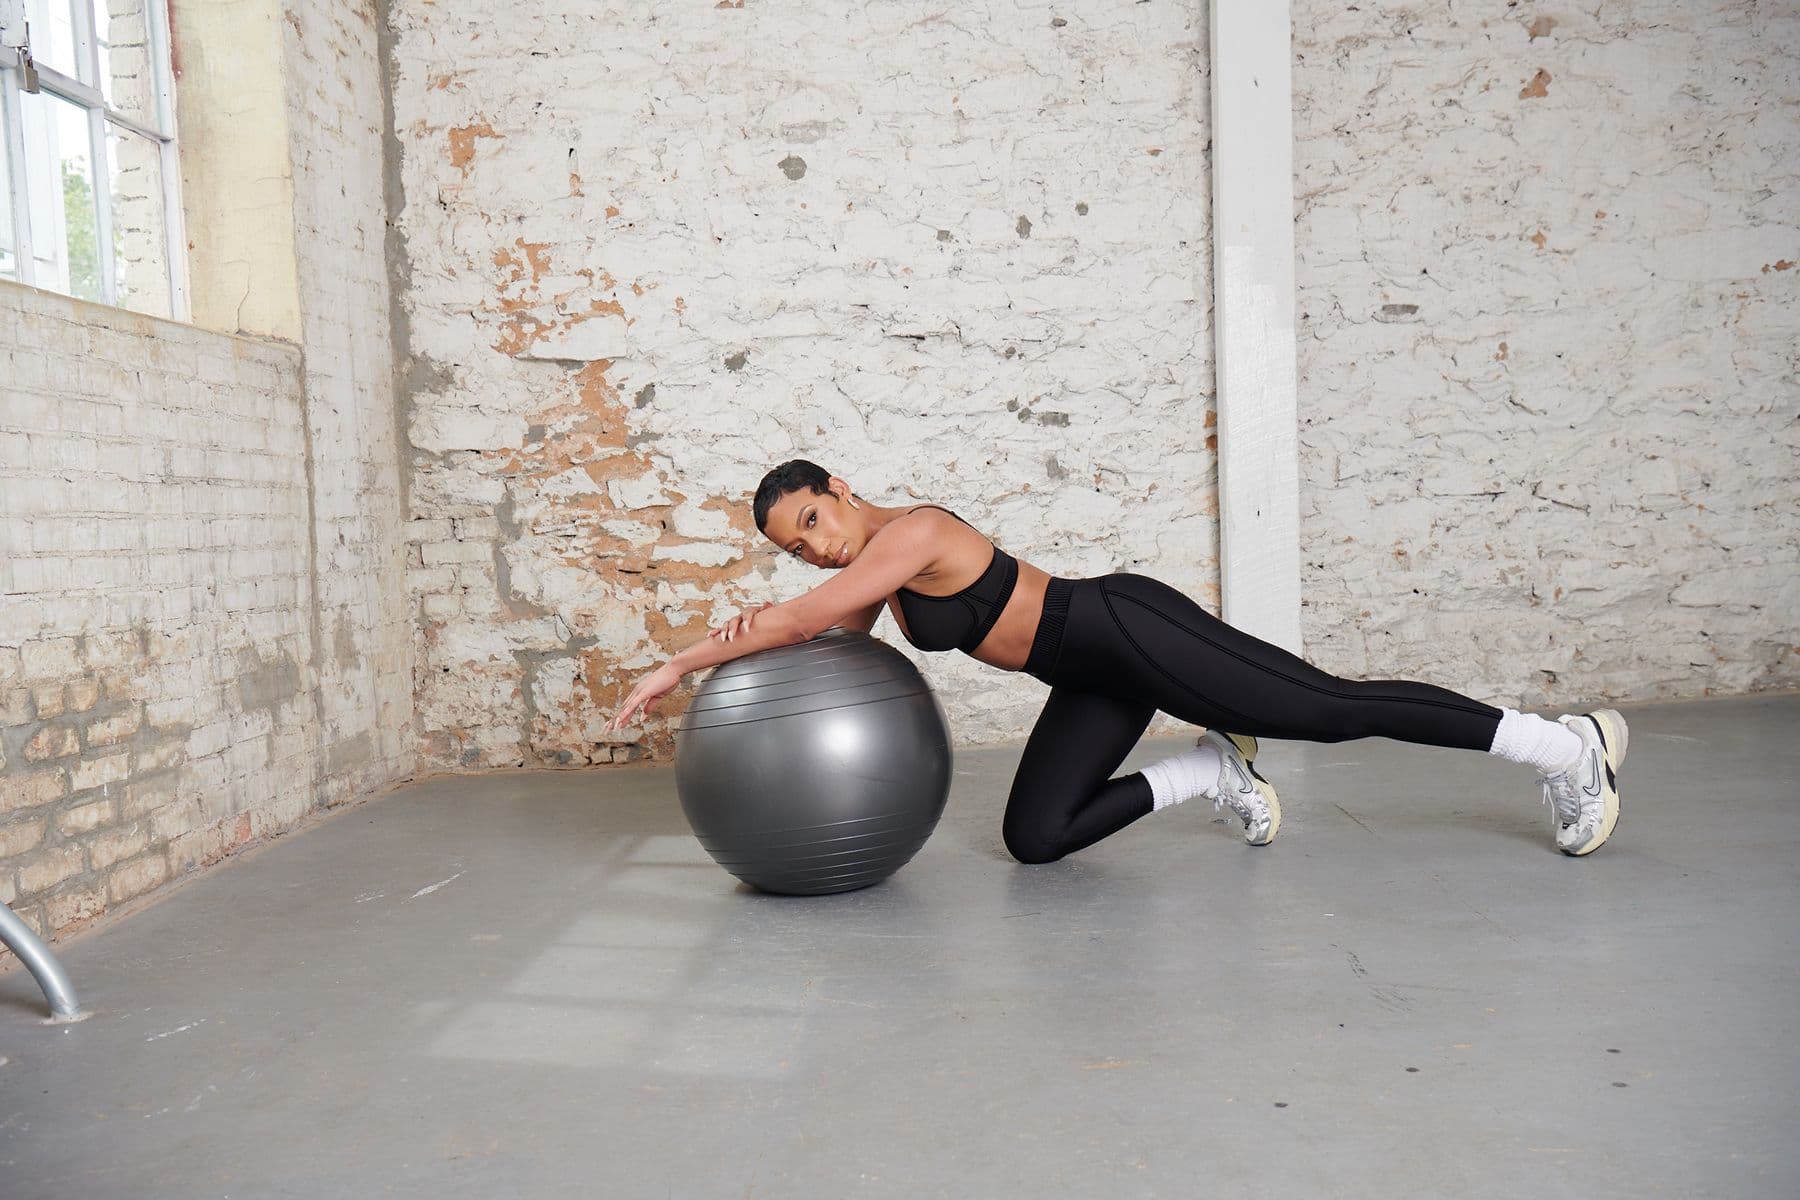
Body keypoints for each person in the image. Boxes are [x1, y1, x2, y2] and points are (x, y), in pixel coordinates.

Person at [607, 460, 1627, 862]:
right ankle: (1212, 772)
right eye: (797, 549)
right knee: (1035, 837)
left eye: (812, 521)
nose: (817, 548)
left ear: (837, 486)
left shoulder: (911, 532)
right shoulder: (870, 575)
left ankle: (1562, 748)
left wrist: (677, 666)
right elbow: (826, 634)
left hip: (1124, 627)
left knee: (1329, 708)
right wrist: (751, 630)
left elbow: (807, 619)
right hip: (1091, 677)